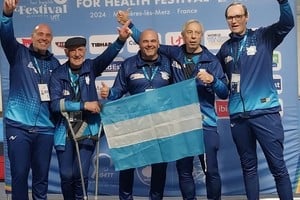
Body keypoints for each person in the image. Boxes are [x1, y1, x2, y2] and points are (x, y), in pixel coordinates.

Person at [116, 12, 228, 200]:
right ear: (182, 36)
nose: (193, 36)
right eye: (189, 32)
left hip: (205, 124)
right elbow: (148, 43)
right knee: (184, 171)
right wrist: (130, 25)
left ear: (201, 36)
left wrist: (213, 80)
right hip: (181, 125)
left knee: (212, 171)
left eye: (197, 33)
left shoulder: (212, 61)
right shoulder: (175, 53)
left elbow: (224, 92)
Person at [216, 0, 294, 199]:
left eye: (238, 16)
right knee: (248, 169)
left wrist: (284, 2)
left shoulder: (263, 36)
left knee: (278, 168)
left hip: (265, 113)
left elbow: (287, 24)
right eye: (230, 17)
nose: (234, 21)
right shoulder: (225, 49)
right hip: (238, 118)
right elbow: (221, 83)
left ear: (246, 17)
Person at [48, 22, 131, 200]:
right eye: (73, 51)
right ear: (66, 52)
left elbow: (108, 55)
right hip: (65, 131)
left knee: (80, 174)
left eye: (81, 50)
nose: (78, 54)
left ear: (85, 51)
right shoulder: (57, 74)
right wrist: (83, 105)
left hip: (88, 128)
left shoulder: (90, 67)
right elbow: (55, 105)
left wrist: (121, 39)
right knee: (66, 175)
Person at [100, 29, 172, 200]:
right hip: (134, 123)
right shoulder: (128, 64)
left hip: (160, 124)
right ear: (139, 43)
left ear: (158, 44)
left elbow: (179, 90)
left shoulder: (168, 63)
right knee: (128, 165)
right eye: (146, 41)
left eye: (153, 41)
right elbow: (118, 90)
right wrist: (109, 92)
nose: (149, 44)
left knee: (160, 167)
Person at [0, 0, 60, 200]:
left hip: (45, 129)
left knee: (41, 178)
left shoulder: (55, 63)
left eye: (47, 35)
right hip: (18, 126)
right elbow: (6, 35)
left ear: (51, 39)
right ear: (32, 37)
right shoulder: (18, 53)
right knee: (19, 176)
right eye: (40, 34)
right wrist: (7, 15)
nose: (43, 38)